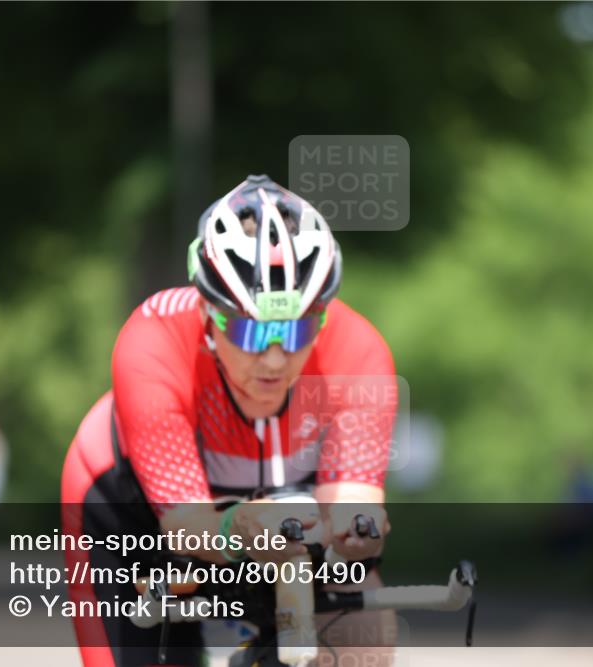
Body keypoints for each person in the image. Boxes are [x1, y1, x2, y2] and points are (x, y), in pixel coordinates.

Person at [61, 175, 397, 667]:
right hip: (137, 510)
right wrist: (239, 528)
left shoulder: (359, 350)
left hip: (278, 529)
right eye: (249, 330)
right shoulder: (153, 338)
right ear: (207, 310)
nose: (276, 359)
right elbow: (184, 525)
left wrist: (356, 534)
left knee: (360, 637)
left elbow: (354, 508)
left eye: (299, 328)